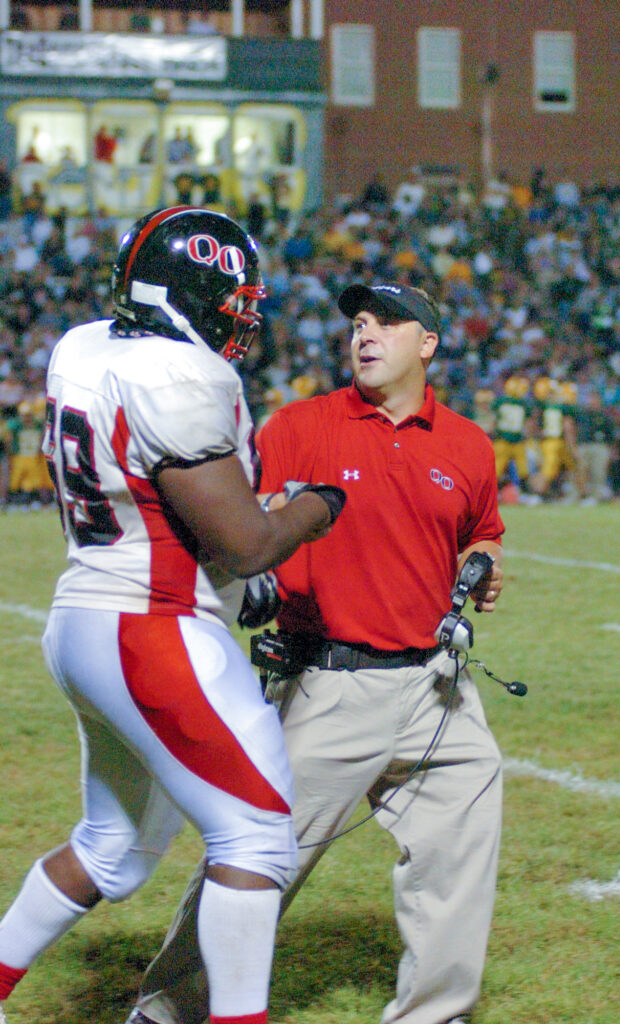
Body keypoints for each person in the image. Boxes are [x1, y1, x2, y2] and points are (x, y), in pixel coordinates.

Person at [125, 282, 506, 1024]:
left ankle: (435, 1013)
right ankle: (168, 1007)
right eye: (359, 323)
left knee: (460, 859)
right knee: (258, 863)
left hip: (437, 688)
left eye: (387, 323)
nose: (366, 334)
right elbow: (236, 527)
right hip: (327, 681)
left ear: (427, 344)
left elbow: (482, 531)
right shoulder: (299, 426)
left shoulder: (467, 443)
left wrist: (482, 565)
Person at [0, 207, 345, 1024]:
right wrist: (316, 506)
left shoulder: (84, 345)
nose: (246, 313)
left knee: (110, 850)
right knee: (258, 837)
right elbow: (248, 541)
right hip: (150, 628)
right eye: (234, 298)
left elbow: (165, 505)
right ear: (188, 293)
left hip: (87, 616)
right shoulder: (179, 376)